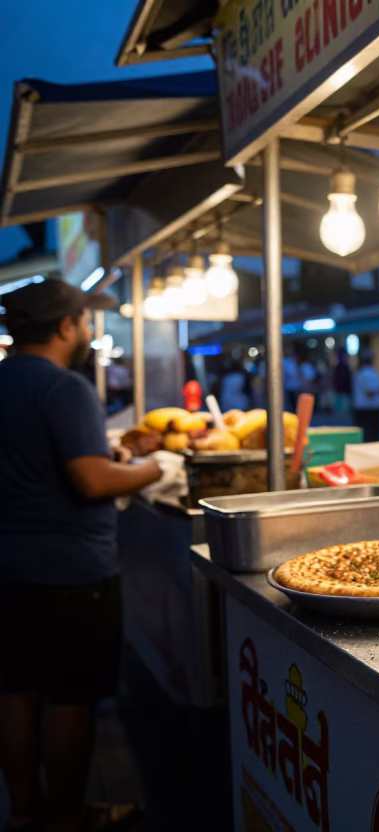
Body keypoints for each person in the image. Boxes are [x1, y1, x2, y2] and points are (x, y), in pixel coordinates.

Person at [0, 280, 162, 832]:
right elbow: (90, 479)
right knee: (70, 699)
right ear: (66, 326)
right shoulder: (65, 387)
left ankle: (22, 812)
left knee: (15, 690)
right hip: (71, 574)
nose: (90, 331)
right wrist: (147, 470)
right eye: (85, 321)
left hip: (7, 571)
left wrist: (113, 452)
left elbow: (45, 462)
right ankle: (69, 818)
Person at [352, 350, 379, 443]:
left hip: (364, 408)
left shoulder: (360, 372)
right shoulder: (368, 373)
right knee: (370, 437)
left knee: (366, 436)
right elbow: (370, 391)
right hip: (369, 409)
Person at [332, 348, 353, 415]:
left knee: (343, 412)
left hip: (344, 392)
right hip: (340, 391)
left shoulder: (344, 367)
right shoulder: (340, 367)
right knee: (341, 412)